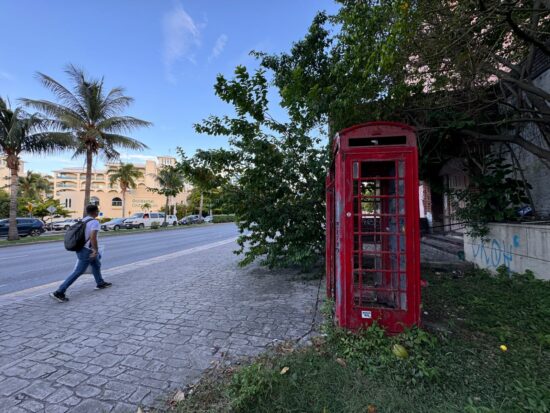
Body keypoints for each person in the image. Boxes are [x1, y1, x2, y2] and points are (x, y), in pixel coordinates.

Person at [50, 204, 112, 302]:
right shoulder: (94, 222)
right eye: (97, 211)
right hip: (87, 250)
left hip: (81, 248)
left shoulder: (83, 220)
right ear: (95, 211)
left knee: (96, 264)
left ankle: (100, 283)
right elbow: (93, 237)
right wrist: (95, 250)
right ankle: (59, 292)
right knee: (78, 271)